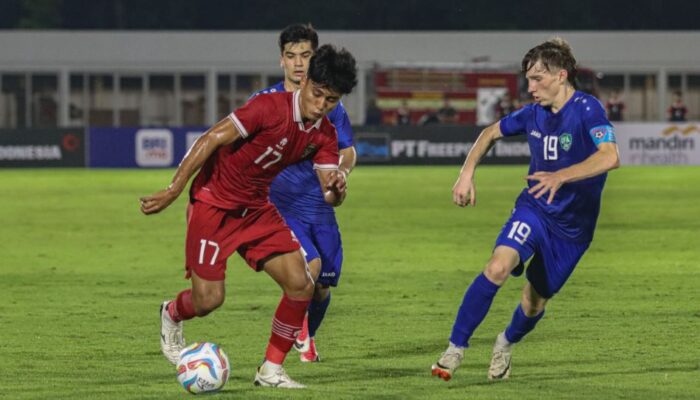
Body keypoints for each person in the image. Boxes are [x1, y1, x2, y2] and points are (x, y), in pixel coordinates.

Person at [140, 44, 358, 389]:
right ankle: (171, 313)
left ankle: (270, 371)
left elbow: (329, 194)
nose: (321, 106)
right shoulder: (268, 108)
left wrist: (338, 187)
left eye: (331, 100)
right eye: (317, 94)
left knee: (301, 284)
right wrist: (174, 189)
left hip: (256, 209)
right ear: (304, 82)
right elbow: (211, 138)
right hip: (213, 205)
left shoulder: (325, 134)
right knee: (209, 300)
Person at [431, 37, 620, 382]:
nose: (530, 87)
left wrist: (561, 176)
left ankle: (504, 343)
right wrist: (466, 174)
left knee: (534, 303)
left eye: (537, 79)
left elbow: (611, 156)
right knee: (498, 266)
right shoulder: (532, 114)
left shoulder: (588, 109)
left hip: (573, 230)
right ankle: (455, 348)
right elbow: (489, 133)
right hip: (535, 210)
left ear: (561, 76)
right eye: (528, 79)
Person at [250, 23, 357, 363]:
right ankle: (283, 344)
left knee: (323, 286)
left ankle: (304, 335)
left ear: (315, 60)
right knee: (307, 268)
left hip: (319, 207)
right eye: (291, 56)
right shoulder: (265, 103)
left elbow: (349, 150)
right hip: (278, 204)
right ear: (281, 60)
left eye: (305, 56)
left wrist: (339, 172)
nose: (298, 64)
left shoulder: (330, 106)